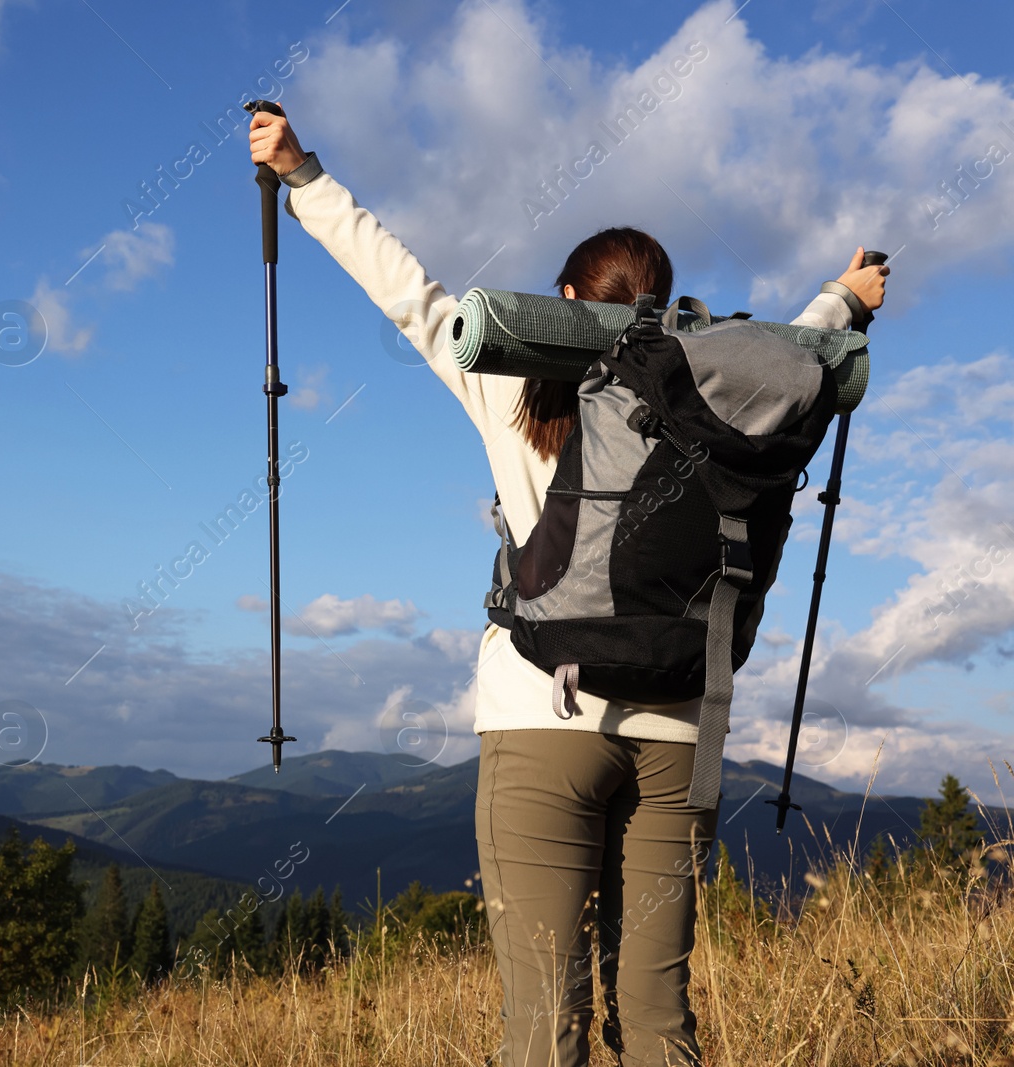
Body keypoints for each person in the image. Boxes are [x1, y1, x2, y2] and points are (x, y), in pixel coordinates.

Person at [249, 104, 887, 1067]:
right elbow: (796, 358)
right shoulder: (720, 406)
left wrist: (304, 176)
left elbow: (411, 296)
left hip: (540, 719)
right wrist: (844, 295)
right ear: (671, 312)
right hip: (683, 727)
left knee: (546, 1031)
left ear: (559, 304)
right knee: (661, 1023)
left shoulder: (514, 393)